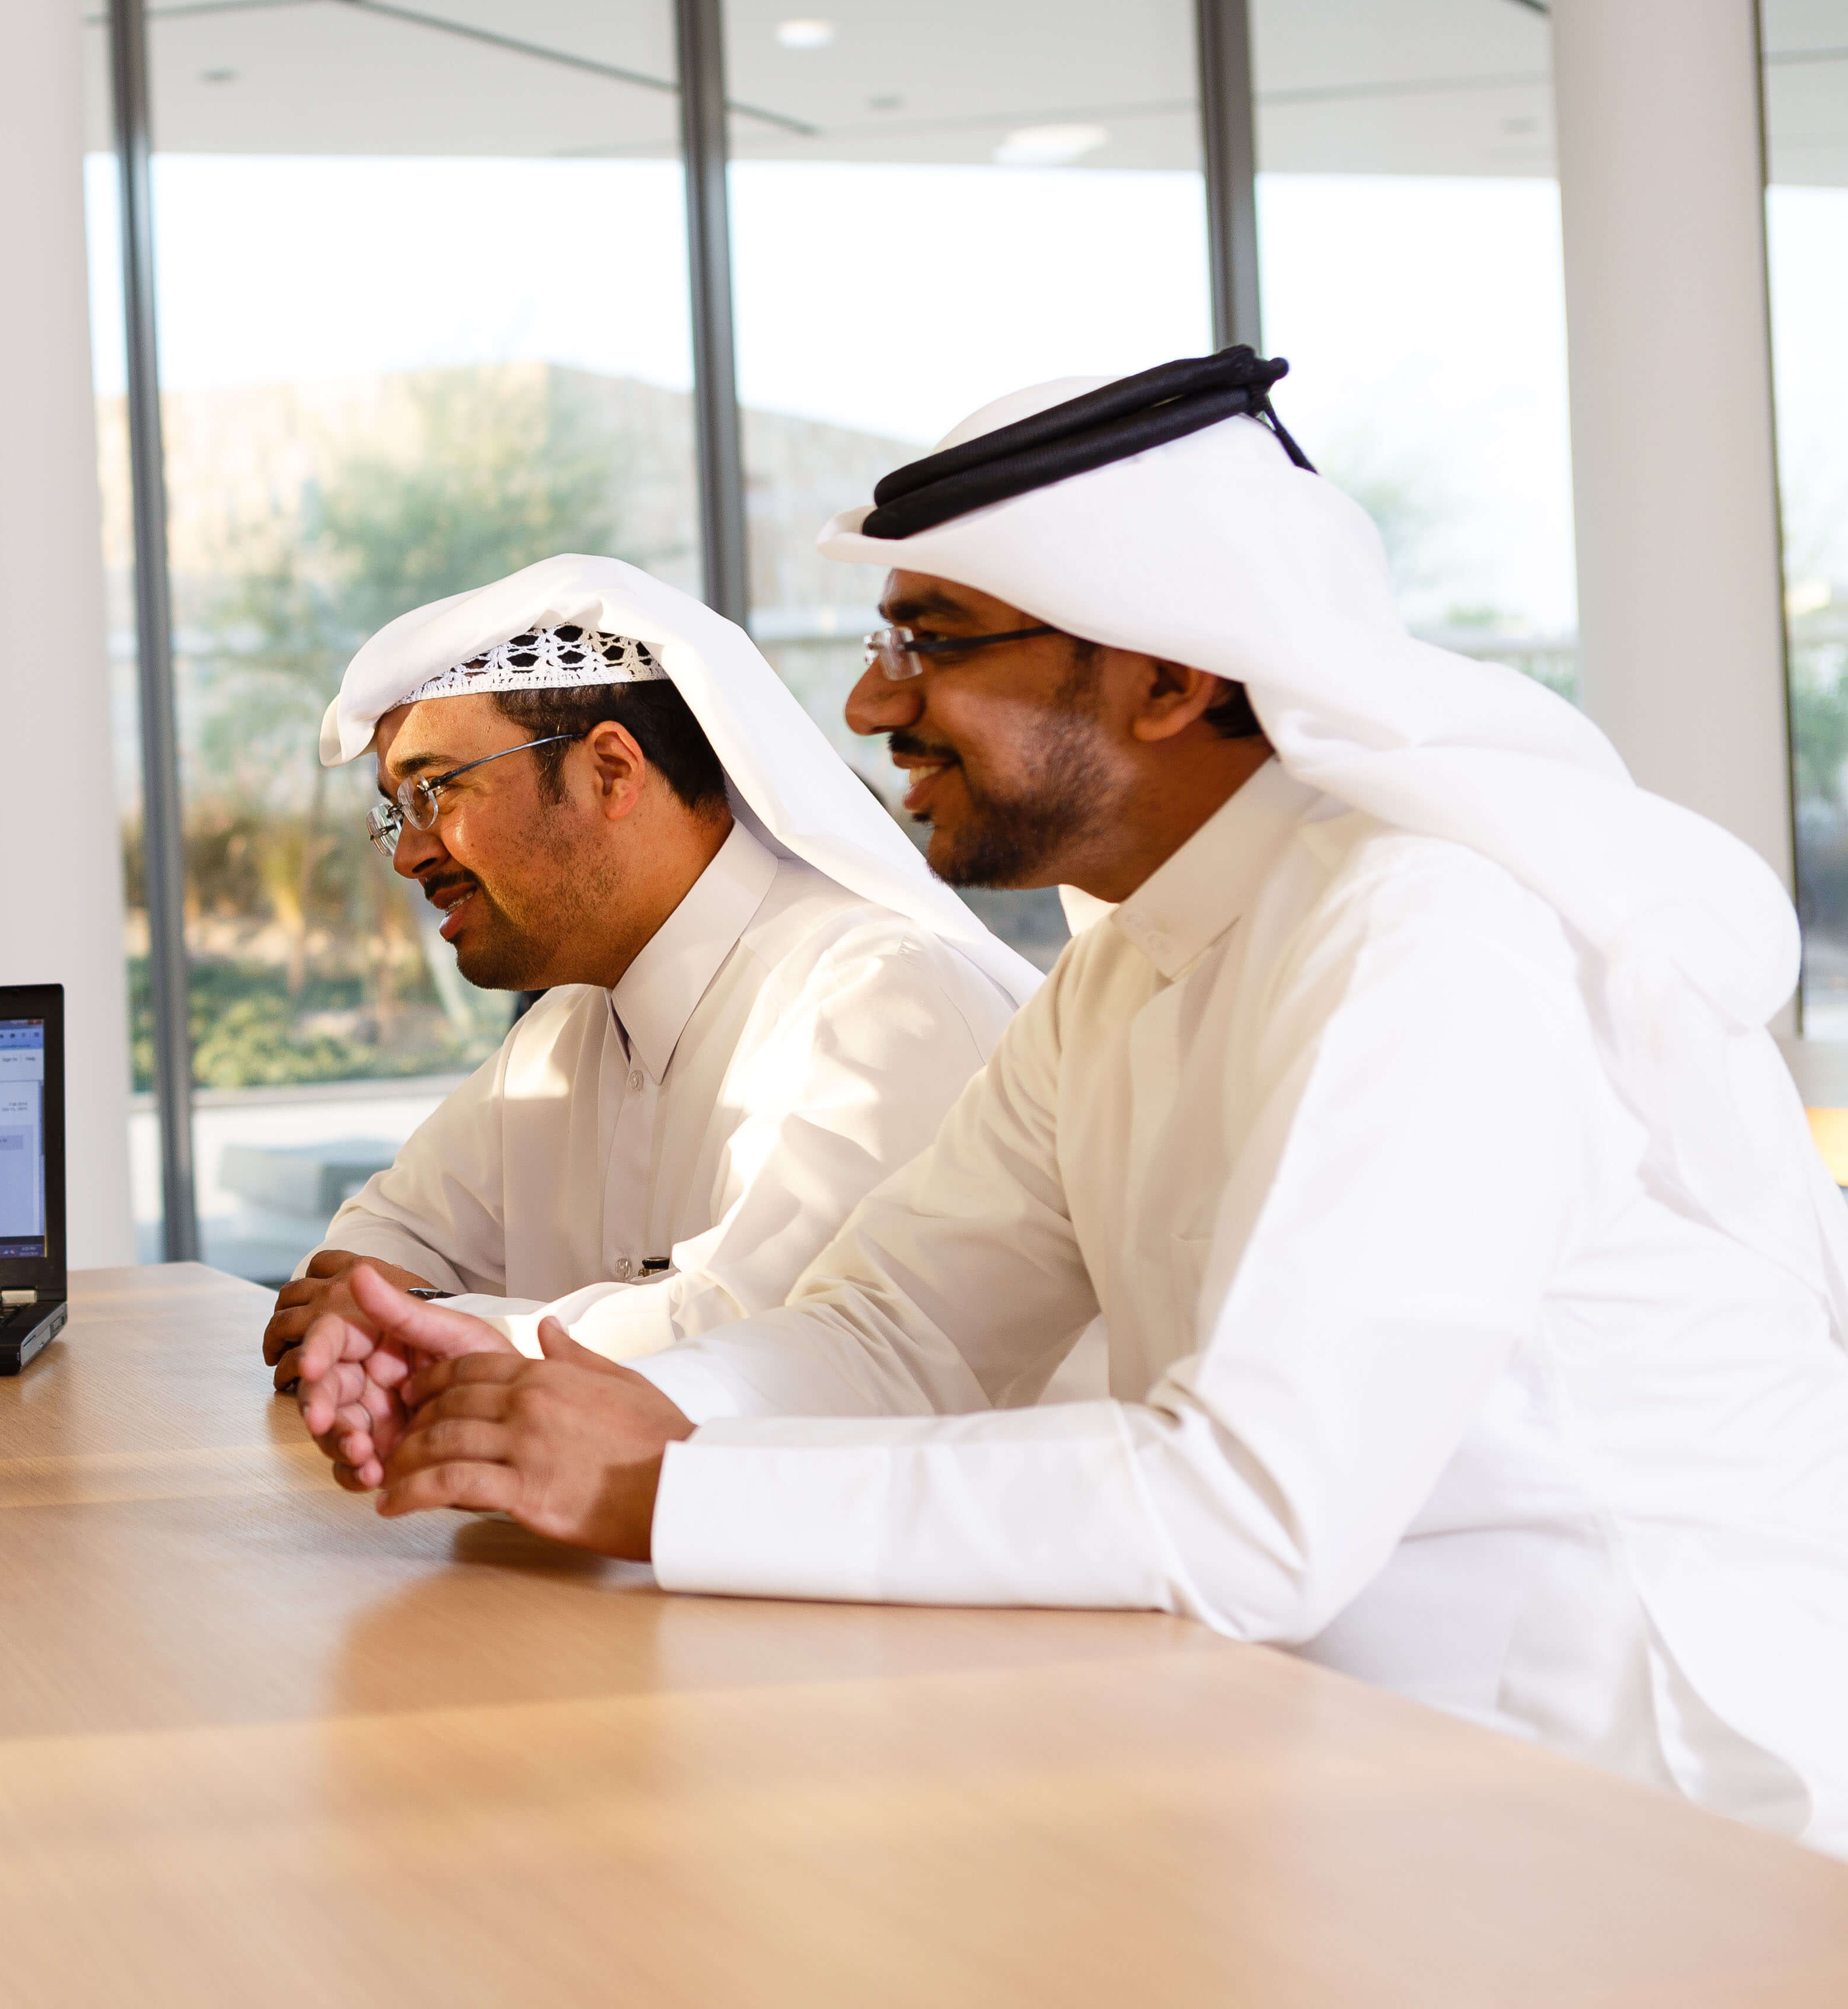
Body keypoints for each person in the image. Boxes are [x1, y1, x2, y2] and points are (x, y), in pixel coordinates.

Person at [298, 350, 1848, 1852]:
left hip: (1617, 1806)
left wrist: (662, 1484)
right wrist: (592, 1406)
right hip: (1329, 1756)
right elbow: (902, 1327)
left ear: (1170, 675)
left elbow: (1253, 1515)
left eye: (935, 640)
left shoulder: (1425, 937)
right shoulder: (1135, 959)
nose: (866, 703)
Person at [258, 556, 1035, 1396]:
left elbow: (758, 1346)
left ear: (612, 772)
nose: (409, 854)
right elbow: (368, 1252)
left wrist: (424, 1333)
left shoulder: (875, 993)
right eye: (395, 815)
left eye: (435, 792)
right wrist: (400, 1320)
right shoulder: (568, 1030)